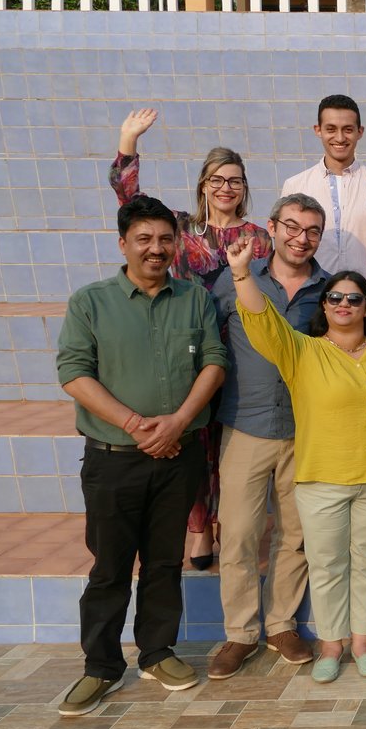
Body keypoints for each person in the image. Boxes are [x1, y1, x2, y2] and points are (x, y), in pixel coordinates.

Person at [55, 196, 228, 716]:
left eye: (165, 239)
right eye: (145, 239)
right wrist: (134, 424)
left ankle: (158, 652)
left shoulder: (193, 298)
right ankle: (101, 667)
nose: (156, 249)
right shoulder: (91, 302)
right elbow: (73, 372)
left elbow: (214, 362)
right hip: (113, 459)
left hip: (178, 455)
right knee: (109, 567)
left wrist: (176, 422)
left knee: (164, 562)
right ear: (123, 244)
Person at [225, 239, 366, 684]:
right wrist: (241, 274)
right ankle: (332, 645)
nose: (344, 304)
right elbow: (262, 320)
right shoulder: (303, 353)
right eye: (335, 297)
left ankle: (363, 642)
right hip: (321, 481)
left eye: (355, 298)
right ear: (325, 305)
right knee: (328, 564)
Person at [110, 109, 271, 570]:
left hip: (243, 352)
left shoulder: (260, 238)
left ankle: (228, 524)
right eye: (217, 179)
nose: (226, 188)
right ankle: (199, 528)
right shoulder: (181, 230)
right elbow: (129, 201)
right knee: (196, 442)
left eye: (235, 180)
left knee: (231, 443)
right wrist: (129, 140)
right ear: (203, 184)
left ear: (245, 188)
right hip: (192, 350)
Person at [206, 193, 332, 679]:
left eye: (313, 231)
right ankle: (239, 633)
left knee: (296, 535)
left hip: (305, 430)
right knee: (237, 535)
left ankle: (281, 624)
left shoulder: (328, 289)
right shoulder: (235, 280)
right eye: (293, 228)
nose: (302, 239)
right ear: (273, 228)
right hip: (247, 425)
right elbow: (213, 346)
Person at [279, 94, 366, 389]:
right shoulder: (295, 185)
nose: (339, 138)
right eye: (331, 129)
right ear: (318, 130)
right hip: (313, 305)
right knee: (316, 389)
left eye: (348, 130)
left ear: (360, 132)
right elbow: (287, 248)